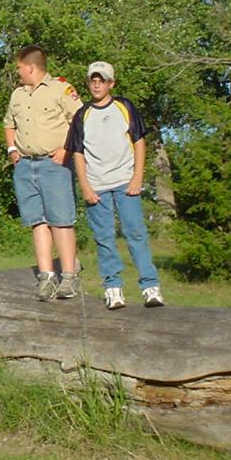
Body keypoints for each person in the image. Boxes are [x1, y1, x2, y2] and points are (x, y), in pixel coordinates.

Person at [67, 61, 165, 309]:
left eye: (102, 80)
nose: (97, 84)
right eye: (93, 80)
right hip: (97, 186)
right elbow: (77, 153)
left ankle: (150, 286)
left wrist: (137, 177)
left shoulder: (125, 106)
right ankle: (113, 287)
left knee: (136, 233)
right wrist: (85, 186)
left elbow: (139, 142)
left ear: (112, 83)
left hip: (125, 182)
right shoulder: (82, 115)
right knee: (104, 238)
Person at [3, 45, 83, 301]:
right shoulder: (17, 94)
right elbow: (8, 123)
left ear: (30, 67)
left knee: (61, 220)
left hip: (54, 163)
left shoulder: (60, 88)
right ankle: (46, 276)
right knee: (36, 220)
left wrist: (67, 149)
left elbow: (80, 120)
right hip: (26, 164)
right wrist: (12, 150)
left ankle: (69, 277)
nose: (18, 73)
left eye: (19, 68)